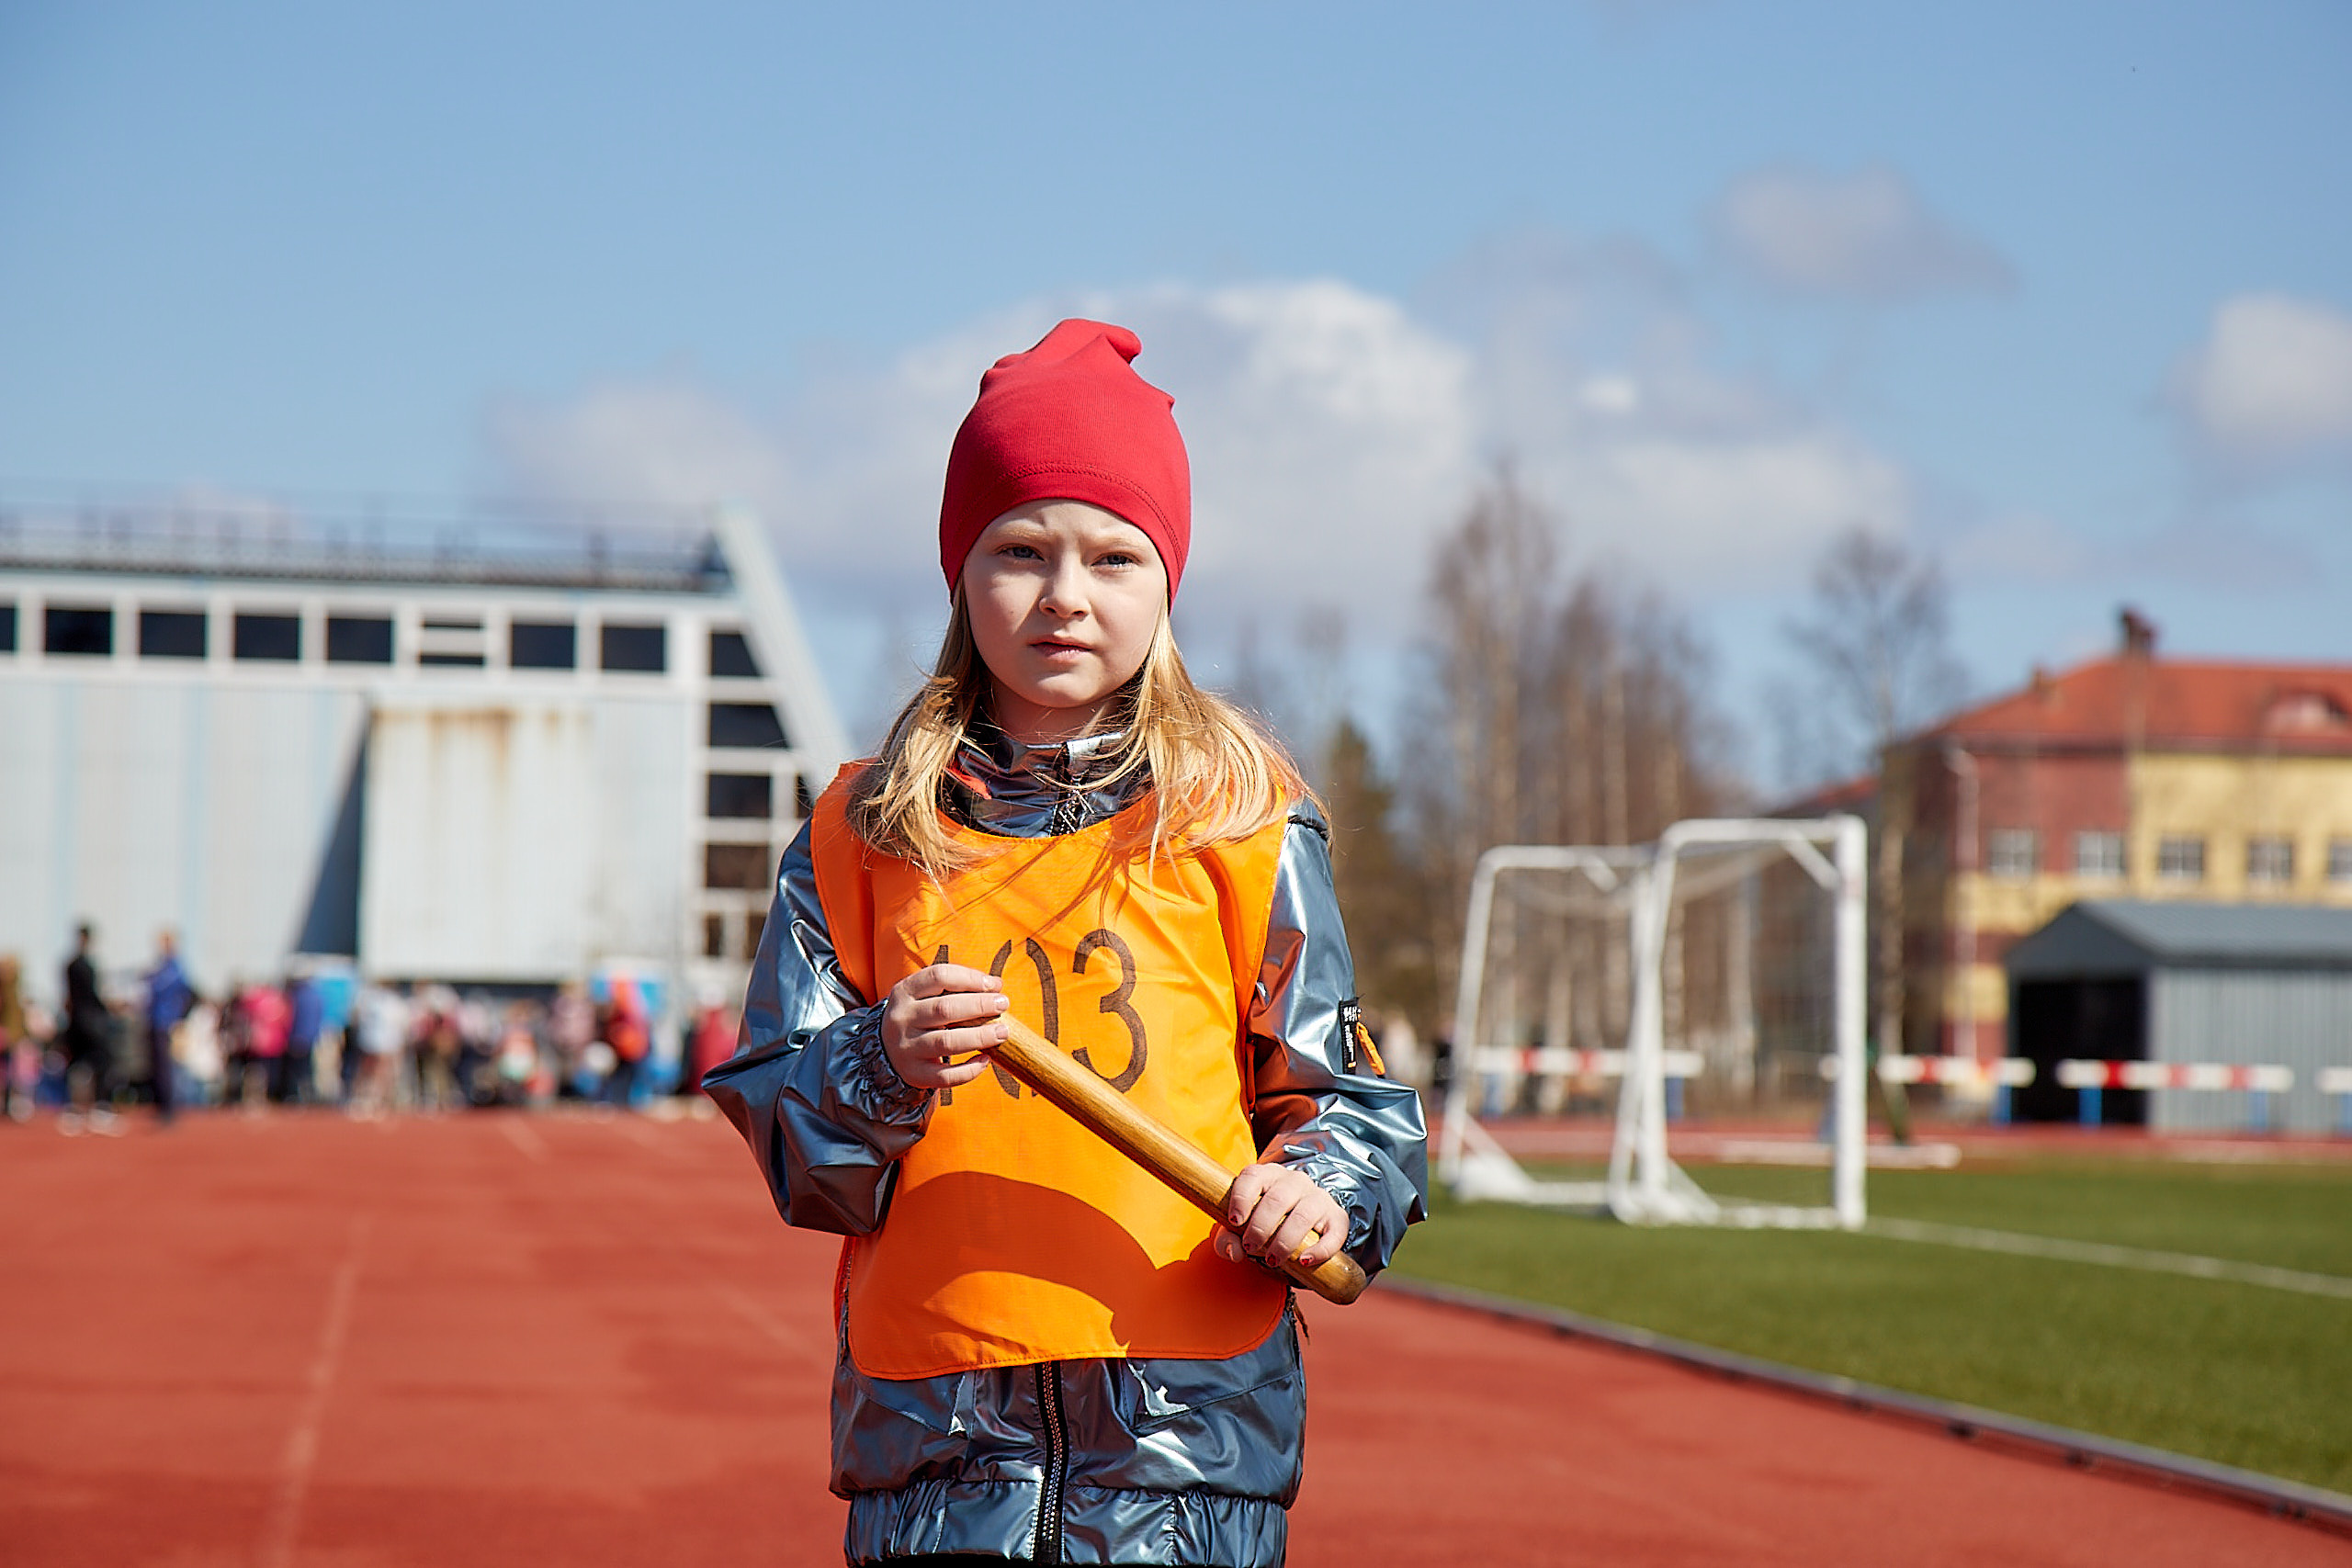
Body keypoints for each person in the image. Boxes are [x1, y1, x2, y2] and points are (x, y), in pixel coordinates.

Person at [704, 320, 1428, 1568]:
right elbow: (798, 1150)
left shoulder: (1244, 817)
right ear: (959, 572)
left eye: (1114, 555)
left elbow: (1348, 1102)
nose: (1065, 594)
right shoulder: (857, 830)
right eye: (1019, 550)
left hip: (1190, 1449)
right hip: (935, 1443)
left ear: (1167, 580)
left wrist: (1321, 1191)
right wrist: (882, 1060)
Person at [60, 922, 119, 1134]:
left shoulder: (69, 964)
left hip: (75, 1021)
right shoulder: (84, 965)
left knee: (76, 1064)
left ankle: (73, 1111)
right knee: (103, 1062)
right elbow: (91, 996)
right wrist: (108, 1009)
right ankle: (101, 1109)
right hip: (90, 1022)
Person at [143, 931, 193, 1123]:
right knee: (157, 1066)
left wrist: (178, 1019)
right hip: (156, 1021)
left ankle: (169, 1109)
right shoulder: (163, 967)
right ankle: (161, 1106)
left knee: (165, 1067)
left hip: (165, 1023)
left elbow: (180, 991)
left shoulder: (174, 968)